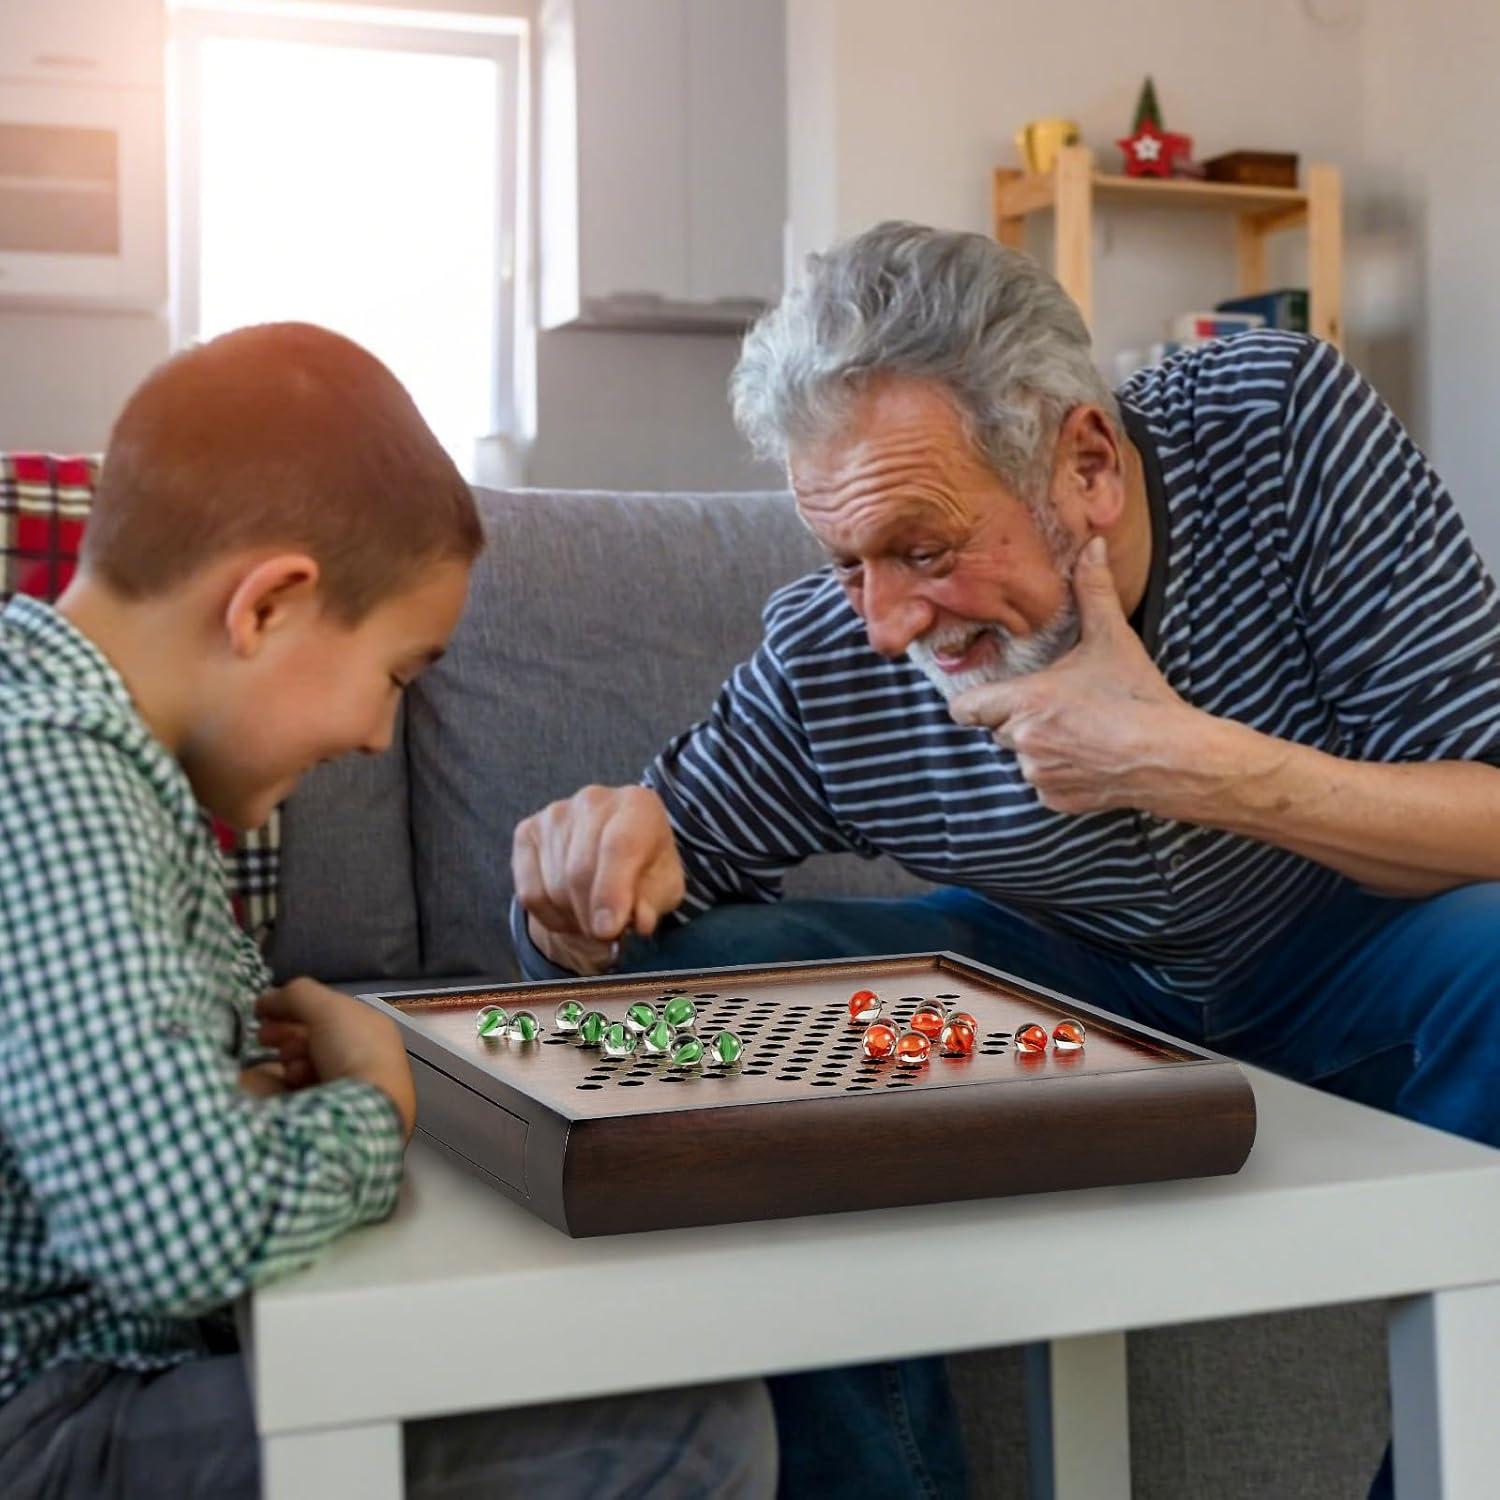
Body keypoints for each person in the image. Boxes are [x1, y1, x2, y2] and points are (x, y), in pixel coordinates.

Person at [511, 221, 1500, 1499]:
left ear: (1085, 462)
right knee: (705, 985)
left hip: (1351, 964)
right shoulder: (839, 655)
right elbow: (646, 874)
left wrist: (1189, 763)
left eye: (925, 550)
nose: (889, 623)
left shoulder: (1277, 427)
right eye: (847, 562)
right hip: (1062, 998)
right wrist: (583, 884)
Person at [0, 323, 776, 1499]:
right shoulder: (63, 787)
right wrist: (371, 1104)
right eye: (397, 676)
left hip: (81, 1374)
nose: (376, 733)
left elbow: (179, 1102)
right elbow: (178, 1233)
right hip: (51, 1411)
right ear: (266, 608)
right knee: (688, 1429)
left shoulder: (77, 737)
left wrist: (251, 1102)